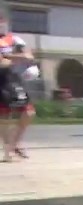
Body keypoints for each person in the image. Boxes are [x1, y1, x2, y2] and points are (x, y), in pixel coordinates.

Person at [0, 16, 35, 160]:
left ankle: (15, 143)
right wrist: (18, 57)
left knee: (29, 112)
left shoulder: (12, 39)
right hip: (1, 79)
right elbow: (2, 62)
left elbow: (28, 55)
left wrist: (13, 56)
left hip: (13, 78)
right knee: (4, 116)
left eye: (2, 22)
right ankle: (7, 150)